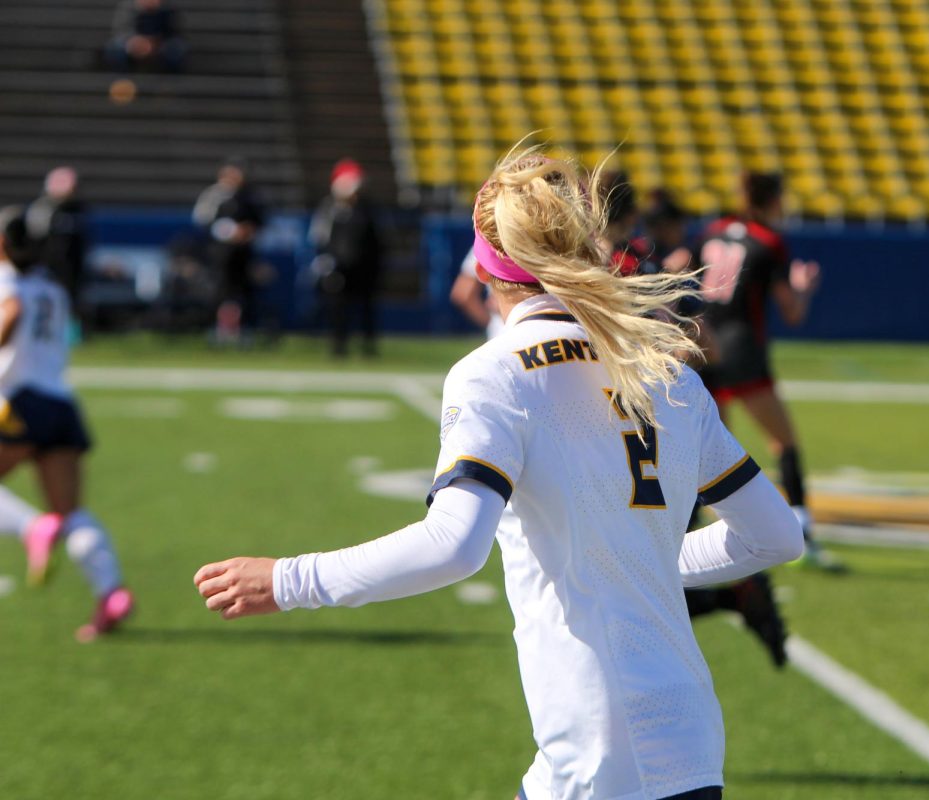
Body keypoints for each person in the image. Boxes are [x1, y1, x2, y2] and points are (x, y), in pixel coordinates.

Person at [194, 150, 806, 800]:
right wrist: (633, 557)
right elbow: (775, 538)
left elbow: (453, 546)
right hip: (691, 741)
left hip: (596, 750)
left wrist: (291, 580)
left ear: (486, 265)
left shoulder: (495, 372)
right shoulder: (670, 372)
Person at [597, 172, 791, 666]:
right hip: (657, 411)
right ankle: (736, 597)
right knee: (636, 564)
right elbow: (691, 332)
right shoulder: (642, 259)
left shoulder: (600, 265)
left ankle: (735, 597)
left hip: (623, 414)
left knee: (625, 571)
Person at [694, 172, 841, 572]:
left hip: (703, 346)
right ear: (774, 199)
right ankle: (804, 531)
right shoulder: (770, 242)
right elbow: (791, 311)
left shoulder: (712, 230)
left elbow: (680, 277)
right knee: (783, 442)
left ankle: (686, 537)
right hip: (742, 350)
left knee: (705, 452)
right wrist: (804, 287)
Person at [0, 207, 133, 641]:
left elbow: (11, 311)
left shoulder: (7, 283)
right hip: (60, 404)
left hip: (20, 402)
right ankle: (111, 592)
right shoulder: (52, 288)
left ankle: (29, 528)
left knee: (50, 517)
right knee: (71, 512)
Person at [309, 159, 383, 358]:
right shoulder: (329, 209)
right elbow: (320, 237)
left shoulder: (366, 210)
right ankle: (338, 346)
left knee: (366, 309)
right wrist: (327, 262)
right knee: (338, 309)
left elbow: (375, 240)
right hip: (338, 268)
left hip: (363, 269)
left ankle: (368, 347)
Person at [193, 159, 266, 346]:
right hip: (220, 254)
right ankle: (219, 330)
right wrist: (229, 232)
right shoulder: (214, 195)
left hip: (243, 253)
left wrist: (248, 231)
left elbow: (261, 220)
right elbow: (203, 220)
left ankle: (242, 330)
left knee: (243, 291)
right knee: (220, 291)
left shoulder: (249, 196)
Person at [26, 167, 89, 317]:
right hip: (49, 267)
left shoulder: (78, 209)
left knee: (70, 303)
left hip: (72, 267)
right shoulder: (43, 208)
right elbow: (36, 240)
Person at [105, 0, 186, 73]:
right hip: (133, 42)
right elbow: (121, 30)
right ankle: (121, 80)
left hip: (160, 43)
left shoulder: (168, 8)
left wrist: (155, 42)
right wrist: (135, 41)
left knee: (175, 48)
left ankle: (170, 84)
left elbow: (173, 32)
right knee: (116, 47)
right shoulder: (128, 6)